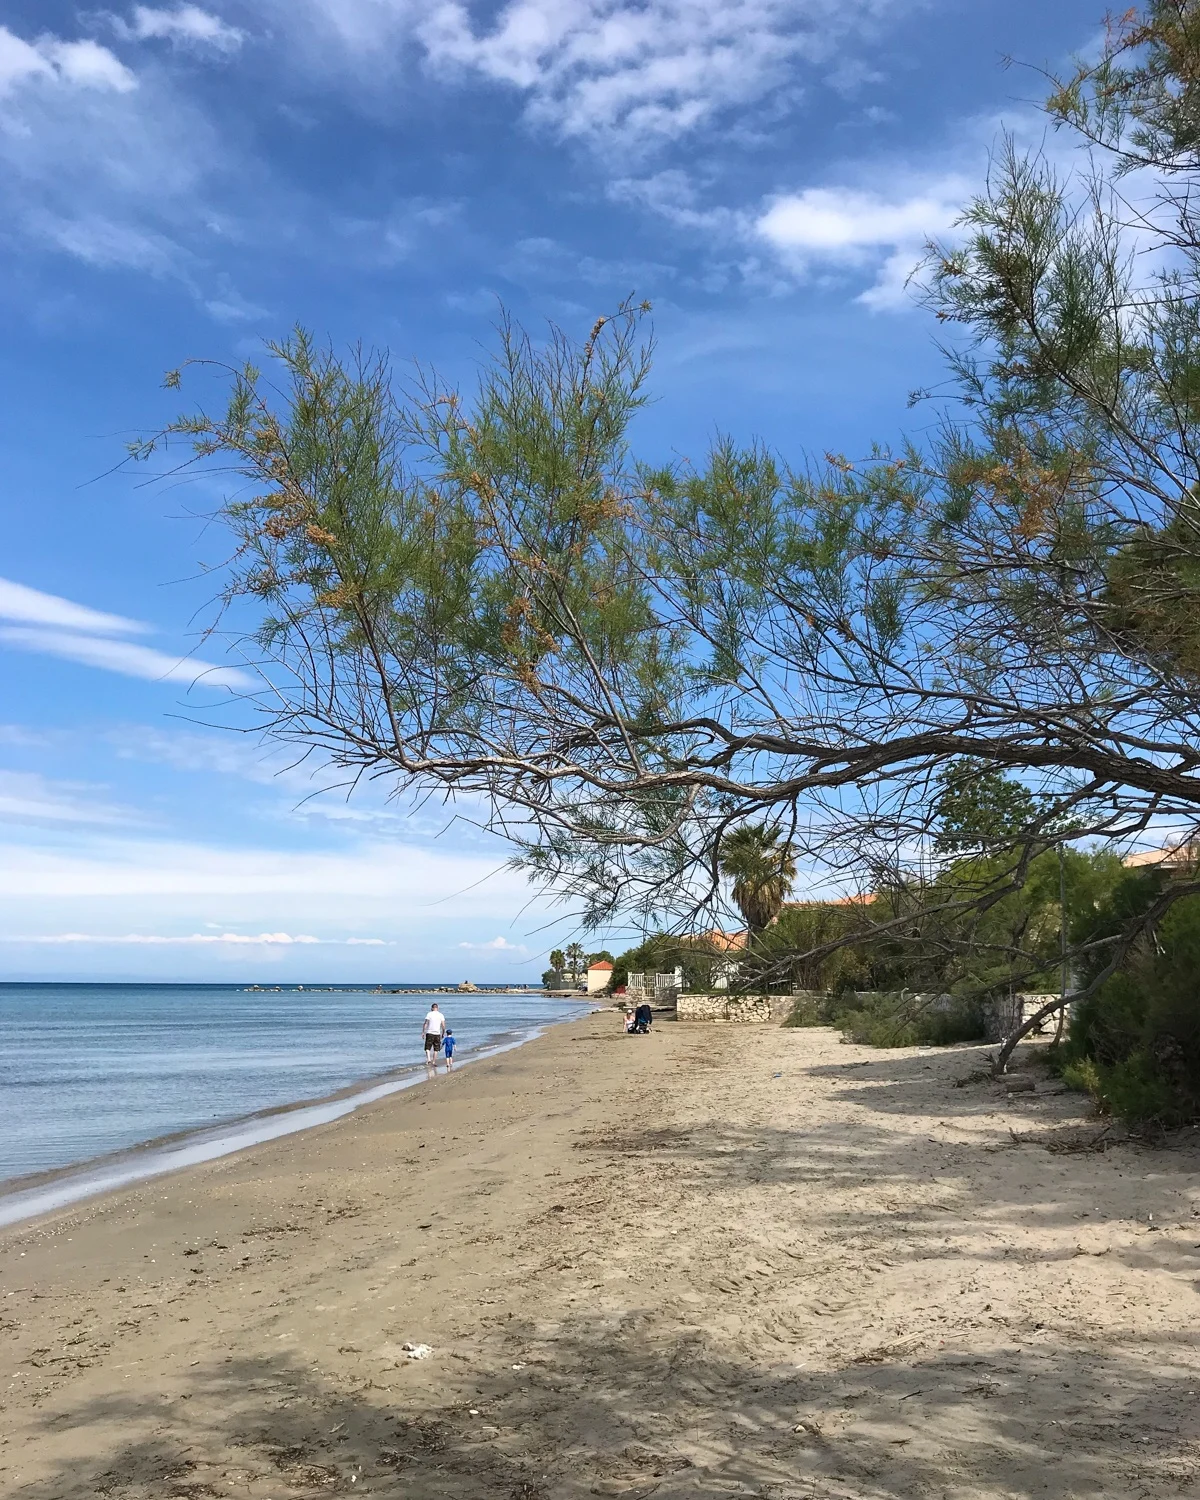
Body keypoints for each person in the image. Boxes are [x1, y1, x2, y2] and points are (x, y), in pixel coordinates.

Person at [422, 1002, 447, 1074]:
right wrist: (443, 1032)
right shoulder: (441, 1015)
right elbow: (443, 1025)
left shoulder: (429, 1014)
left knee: (427, 1047)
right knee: (436, 1048)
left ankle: (429, 1059)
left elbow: (426, 1023)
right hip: (437, 1033)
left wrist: (423, 1032)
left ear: (432, 1008)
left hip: (429, 1032)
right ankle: (433, 1061)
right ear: (437, 1008)